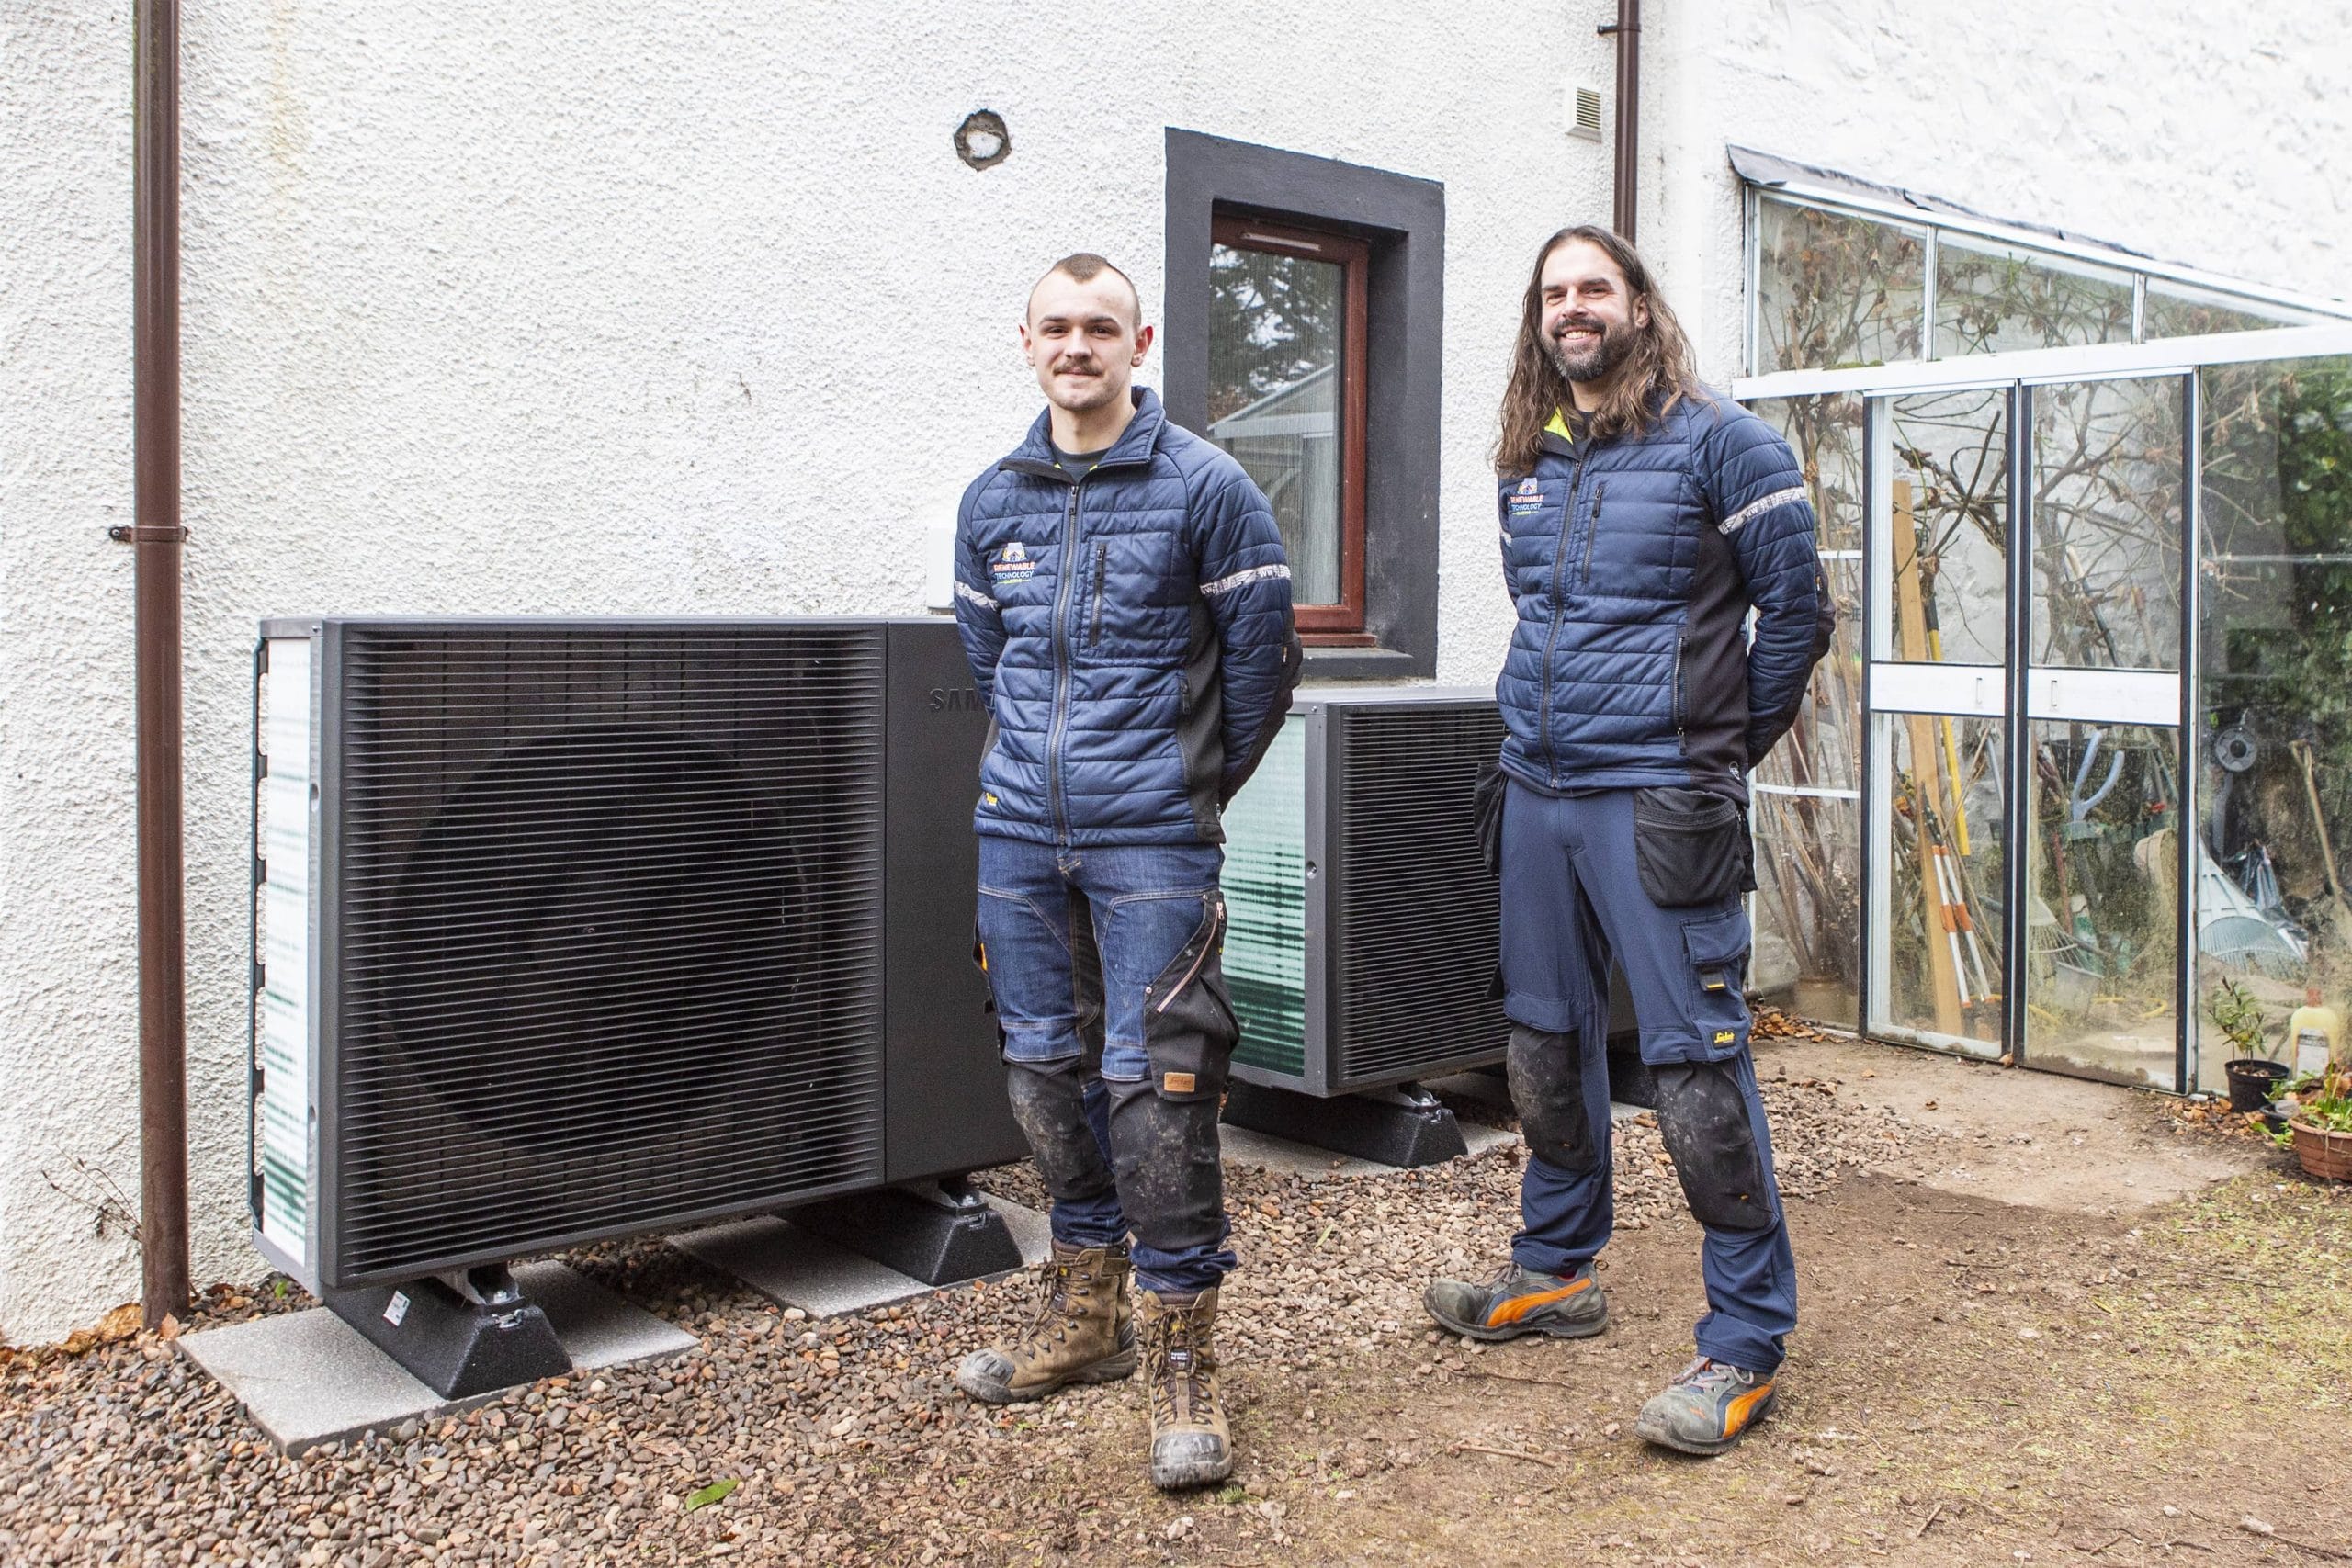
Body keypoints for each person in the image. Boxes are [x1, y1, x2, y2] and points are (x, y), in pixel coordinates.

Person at [1426, 225, 1832, 1455]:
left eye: (1593, 287)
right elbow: (1546, 617)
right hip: (1537, 793)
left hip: (1659, 805)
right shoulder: (1530, 458)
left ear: (1640, 305)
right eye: (1554, 293)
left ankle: (1747, 1342)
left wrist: (1707, 753)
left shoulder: (1727, 444)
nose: (1572, 308)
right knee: (1543, 1053)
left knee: (1698, 1076)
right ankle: (1557, 1271)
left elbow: (1798, 615)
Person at [948, 252, 1300, 1490]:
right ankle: (1086, 1318)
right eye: (1057, 326)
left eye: (1102, 327)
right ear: (1027, 342)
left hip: (1151, 838)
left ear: (1138, 348)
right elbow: (991, 667)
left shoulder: (1209, 491)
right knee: (1044, 1076)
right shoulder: (991, 501)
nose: (1078, 345)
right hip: (1017, 839)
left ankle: (1182, 1351)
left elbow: (1261, 674)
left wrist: (1181, 793)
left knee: (1157, 1091)